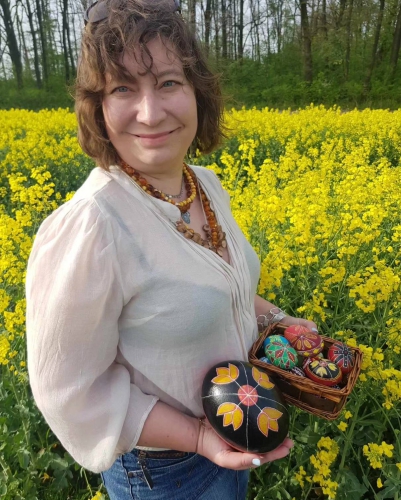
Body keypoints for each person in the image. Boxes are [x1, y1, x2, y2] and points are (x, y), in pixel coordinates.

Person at [25, 1, 318, 499]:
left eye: (167, 82)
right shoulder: (92, 226)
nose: (150, 111)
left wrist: (280, 321)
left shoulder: (204, 184)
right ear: (98, 108)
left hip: (232, 438)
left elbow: (222, 290)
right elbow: (69, 390)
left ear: (197, 92)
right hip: (164, 474)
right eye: (122, 88)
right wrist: (199, 437)